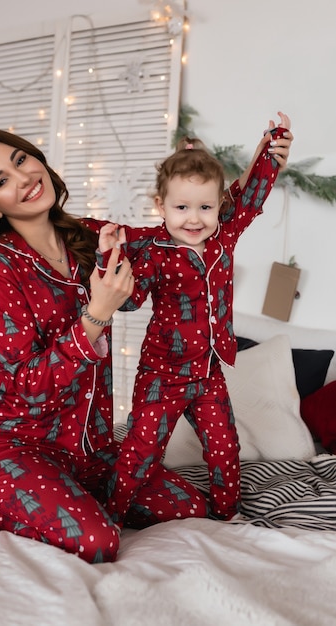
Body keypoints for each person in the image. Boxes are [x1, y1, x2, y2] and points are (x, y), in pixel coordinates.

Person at [0, 128, 214, 564]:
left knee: (190, 507)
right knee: (98, 541)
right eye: (1, 181)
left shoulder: (87, 236)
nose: (23, 176)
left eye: (20, 160)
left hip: (92, 452)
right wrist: (96, 313)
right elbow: (27, 384)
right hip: (14, 446)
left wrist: (257, 169)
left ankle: (66, 497)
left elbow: (181, 227)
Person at [96, 113, 293, 529]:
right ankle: (110, 514)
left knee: (224, 447)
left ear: (219, 205)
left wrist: (272, 152)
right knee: (142, 450)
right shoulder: (155, 251)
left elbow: (252, 198)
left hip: (208, 371)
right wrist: (108, 259)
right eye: (181, 207)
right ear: (161, 206)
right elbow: (129, 303)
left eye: (205, 207)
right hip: (162, 373)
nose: (193, 218)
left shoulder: (223, 237)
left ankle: (227, 514)